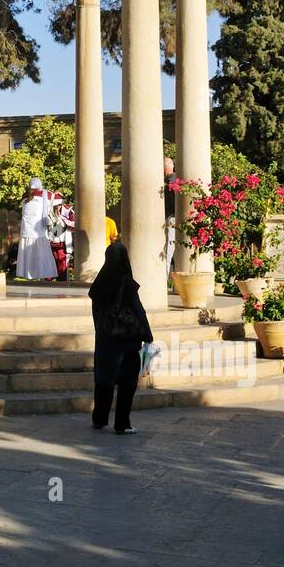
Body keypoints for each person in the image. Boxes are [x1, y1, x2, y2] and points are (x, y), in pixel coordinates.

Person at [88, 240, 153, 434]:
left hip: (105, 338)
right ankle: (122, 423)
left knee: (103, 380)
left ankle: (99, 419)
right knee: (127, 382)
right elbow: (138, 310)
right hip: (128, 340)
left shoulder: (99, 284)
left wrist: (101, 331)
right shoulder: (126, 282)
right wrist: (148, 334)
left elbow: (96, 312)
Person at [16, 177, 57, 280]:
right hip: (39, 233)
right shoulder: (44, 198)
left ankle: (29, 275)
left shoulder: (24, 200)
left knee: (29, 256)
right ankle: (42, 275)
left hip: (26, 232)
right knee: (41, 256)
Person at [164, 156, 179, 276]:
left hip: (172, 219)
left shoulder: (171, 181)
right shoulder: (175, 179)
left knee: (167, 252)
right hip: (175, 218)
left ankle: (163, 278)